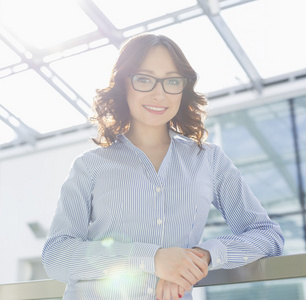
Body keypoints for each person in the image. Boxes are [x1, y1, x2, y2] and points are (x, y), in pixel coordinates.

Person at [41, 33, 284, 300]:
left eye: (171, 81)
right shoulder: (90, 166)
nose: (159, 94)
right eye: (144, 79)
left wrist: (200, 257)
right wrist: (151, 259)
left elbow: (267, 235)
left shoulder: (209, 160)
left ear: (183, 87)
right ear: (124, 83)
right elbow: (57, 255)